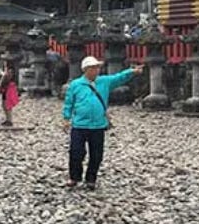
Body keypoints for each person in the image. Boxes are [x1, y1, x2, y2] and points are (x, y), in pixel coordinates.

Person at [61, 56, 142, 190]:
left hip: (98, 124)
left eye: (97, 67)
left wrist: (131, 72)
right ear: (86, 69)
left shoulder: (104, 81)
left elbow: (118, 78)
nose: (97, 70)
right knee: (76, 152)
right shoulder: (75, 84)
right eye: (94, 68)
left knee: (97, 154)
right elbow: (69, 102)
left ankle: (91, 179)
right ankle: (74, 177)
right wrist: (66, 118)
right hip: (79, 124)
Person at [0, 62, 19, 127]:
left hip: (8, 90)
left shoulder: (9, 72)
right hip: (8, 89)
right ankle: (8, 119)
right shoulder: (11, 72)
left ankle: (9, 120)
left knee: (7, 105)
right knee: (5, 105)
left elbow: (5, 80)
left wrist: (0, 84)